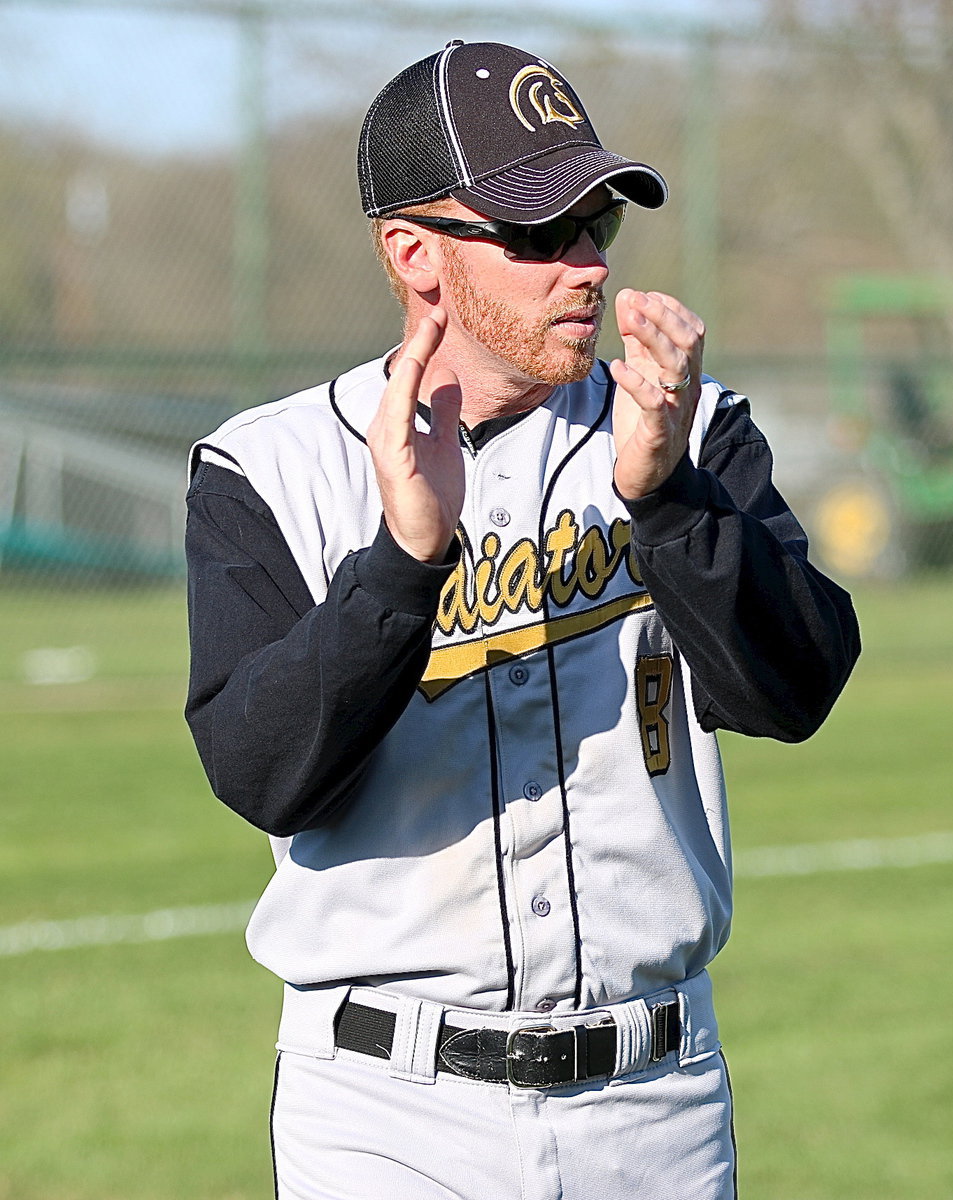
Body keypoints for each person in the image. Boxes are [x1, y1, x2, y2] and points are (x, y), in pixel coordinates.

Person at [185, 39, 860, 1200]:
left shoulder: (690, 430)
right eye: (539, 235)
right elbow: (261, 771)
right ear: (414, 255)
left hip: (655, 1099)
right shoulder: (270, 466)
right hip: (385, 1109)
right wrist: (402, 565)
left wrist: (668, 503)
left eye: (597, 226)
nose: (585, 267)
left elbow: (792, 691)